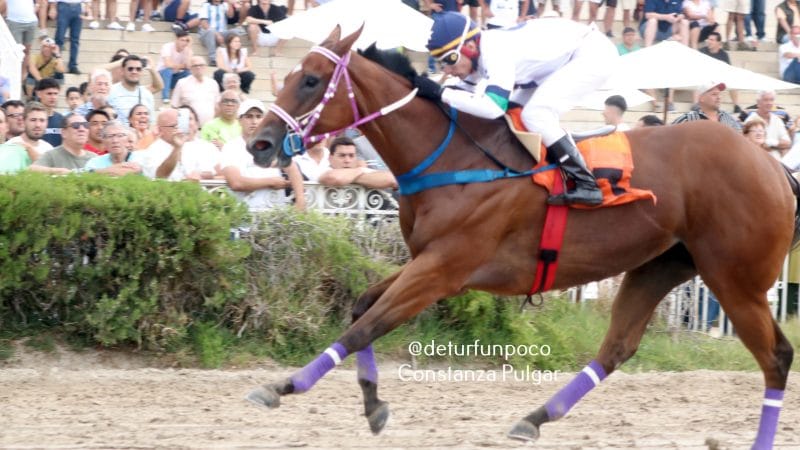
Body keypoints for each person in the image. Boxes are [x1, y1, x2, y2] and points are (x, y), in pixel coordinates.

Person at [415, 12, 616, 205]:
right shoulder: (479, 53)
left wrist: (441, 93)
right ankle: (558, 149)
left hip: (590, 54)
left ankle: (587, 184)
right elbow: (463, 92)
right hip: (564, 60)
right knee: (514, 111)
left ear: (470, 46)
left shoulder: (495, 52)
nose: (447, 70)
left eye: (450, 59)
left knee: (535, 114)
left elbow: (493, 107)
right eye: (441, 63)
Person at [220, 99, 306, 210]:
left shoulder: (275, 144)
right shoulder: (231, 147)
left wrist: (300, 199)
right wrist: (270, 182)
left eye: (259, 116)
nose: (254, 121)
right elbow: (236, 183)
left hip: (275, 214)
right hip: (245, 214)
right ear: (239, 120)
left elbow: (292, 169)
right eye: (249, 116)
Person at [142, 107, 219, 181]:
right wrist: (177, 148)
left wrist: (202, 176)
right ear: (160, 129)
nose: (179, 129)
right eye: (175, 126)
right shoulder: (154, 150)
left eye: (181, 124)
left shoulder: (200, 146)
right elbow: (160, 176)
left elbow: (216, 172)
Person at [319, 136, 398, 189]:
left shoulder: (360, 172)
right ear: (330, 158)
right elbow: (333, 178)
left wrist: (349, 176)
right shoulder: (323, 169)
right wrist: (361, 170)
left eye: (351, 156)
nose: (347, 160)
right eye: (342, 156)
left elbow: (392, 179)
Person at [672, 81, 742, 131]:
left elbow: (740, 136)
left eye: (719, 94)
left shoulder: (728, 117)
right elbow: (670, 135)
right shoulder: (688, 119)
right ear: (701, 98)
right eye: (714, 94)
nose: (719, 97)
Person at [107, 55, 155, 127]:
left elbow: (151, 123)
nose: (134, 72)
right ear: (122, 70)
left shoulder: (147, 94)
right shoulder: (110, 91)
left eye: (138, 69)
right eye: (130, 69)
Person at [171, 56, 220, 126]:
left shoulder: (213, 83)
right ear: (190, 68)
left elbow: (217, 107)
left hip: (209, 128)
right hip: (188, 128)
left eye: (201, 65)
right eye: (195, 65)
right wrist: (182, 127)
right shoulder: (182, 83)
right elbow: (174, 106)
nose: (198, 67)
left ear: (205, 67)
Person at [699, 32, 741, 112]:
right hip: (705, 76)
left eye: (712, 40)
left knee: (732, 81)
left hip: (718, 78)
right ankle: (697, 104)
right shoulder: (702, 51)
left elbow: (729, 69)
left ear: (718, 43)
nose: (709, 42)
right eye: (708, 39)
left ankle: (736, 105)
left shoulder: (724, 55)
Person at [743, 91, 792, 156]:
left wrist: (771, 143)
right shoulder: (750, 120)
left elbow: (787, 143)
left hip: (777, 161)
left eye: (771, 100)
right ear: (758, 102)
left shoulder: (777, 120)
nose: (769, 103)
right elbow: (747, 144)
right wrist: (778, 145)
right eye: (766, 100)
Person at [2, 0, 40, 82]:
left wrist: (37, 6)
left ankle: (23, 75)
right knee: (15, 52)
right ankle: (14, 75)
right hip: (14, 22)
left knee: (27, 51)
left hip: (31, 21)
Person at [157, 29, 193, 103]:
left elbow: (188, 66)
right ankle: (165, 98)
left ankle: (186, 97)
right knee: (168, 71)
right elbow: (168, 65)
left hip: (174, 76)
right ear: (176, 39)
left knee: (188, 73)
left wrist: (189, 48)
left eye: (187, 41)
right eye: (182, 40)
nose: (184, 43)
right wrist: (182, 66)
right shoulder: (167, 46)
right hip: (161, 76)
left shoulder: (187, 50)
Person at [198, 0, 237, 66]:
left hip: (222, 33)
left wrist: (229, 4)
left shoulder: (224, 5)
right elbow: (204, 23)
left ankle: (234, 57)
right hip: (207, 33)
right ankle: (213, 59)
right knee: (210, 32)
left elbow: (230, 15)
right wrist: (217, 34)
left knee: (235, 31)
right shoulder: (205, 5)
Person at [54, 0, 84, 75]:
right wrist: (52, 6)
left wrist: (87, 5)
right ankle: (56, 65)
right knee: (59, 38)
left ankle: (73, 65)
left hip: (78, 6)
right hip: (63, 5)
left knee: (75, 39)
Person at [34, 77, 64, 147]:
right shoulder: (32, 119)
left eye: (55, 94)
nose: (53, 97)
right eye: (49, 93)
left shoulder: (62, 119)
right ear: (39, 94)